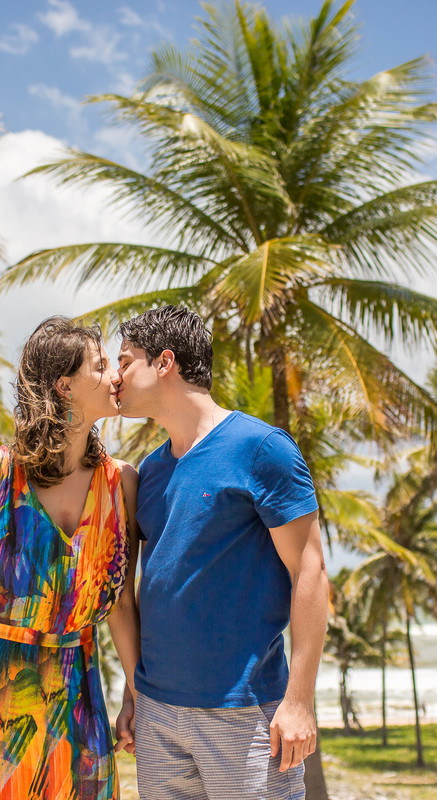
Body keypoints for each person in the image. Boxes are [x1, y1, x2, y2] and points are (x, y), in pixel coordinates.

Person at [115, 306, 329, 800]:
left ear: (164, 362)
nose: (116, 377)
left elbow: (311, 573)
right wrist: (133, 694)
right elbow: (156, 587)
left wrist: (298, 701)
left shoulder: (261, 448)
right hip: (157, 714)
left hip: (246, 714)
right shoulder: (149, 472)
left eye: (126, 361)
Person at [0, 317, 139, 800]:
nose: (116, 377)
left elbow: (122, 604)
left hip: (77, 688)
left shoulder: (122, 483)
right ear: (65, 386)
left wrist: (135, 695)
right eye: (101, 366)